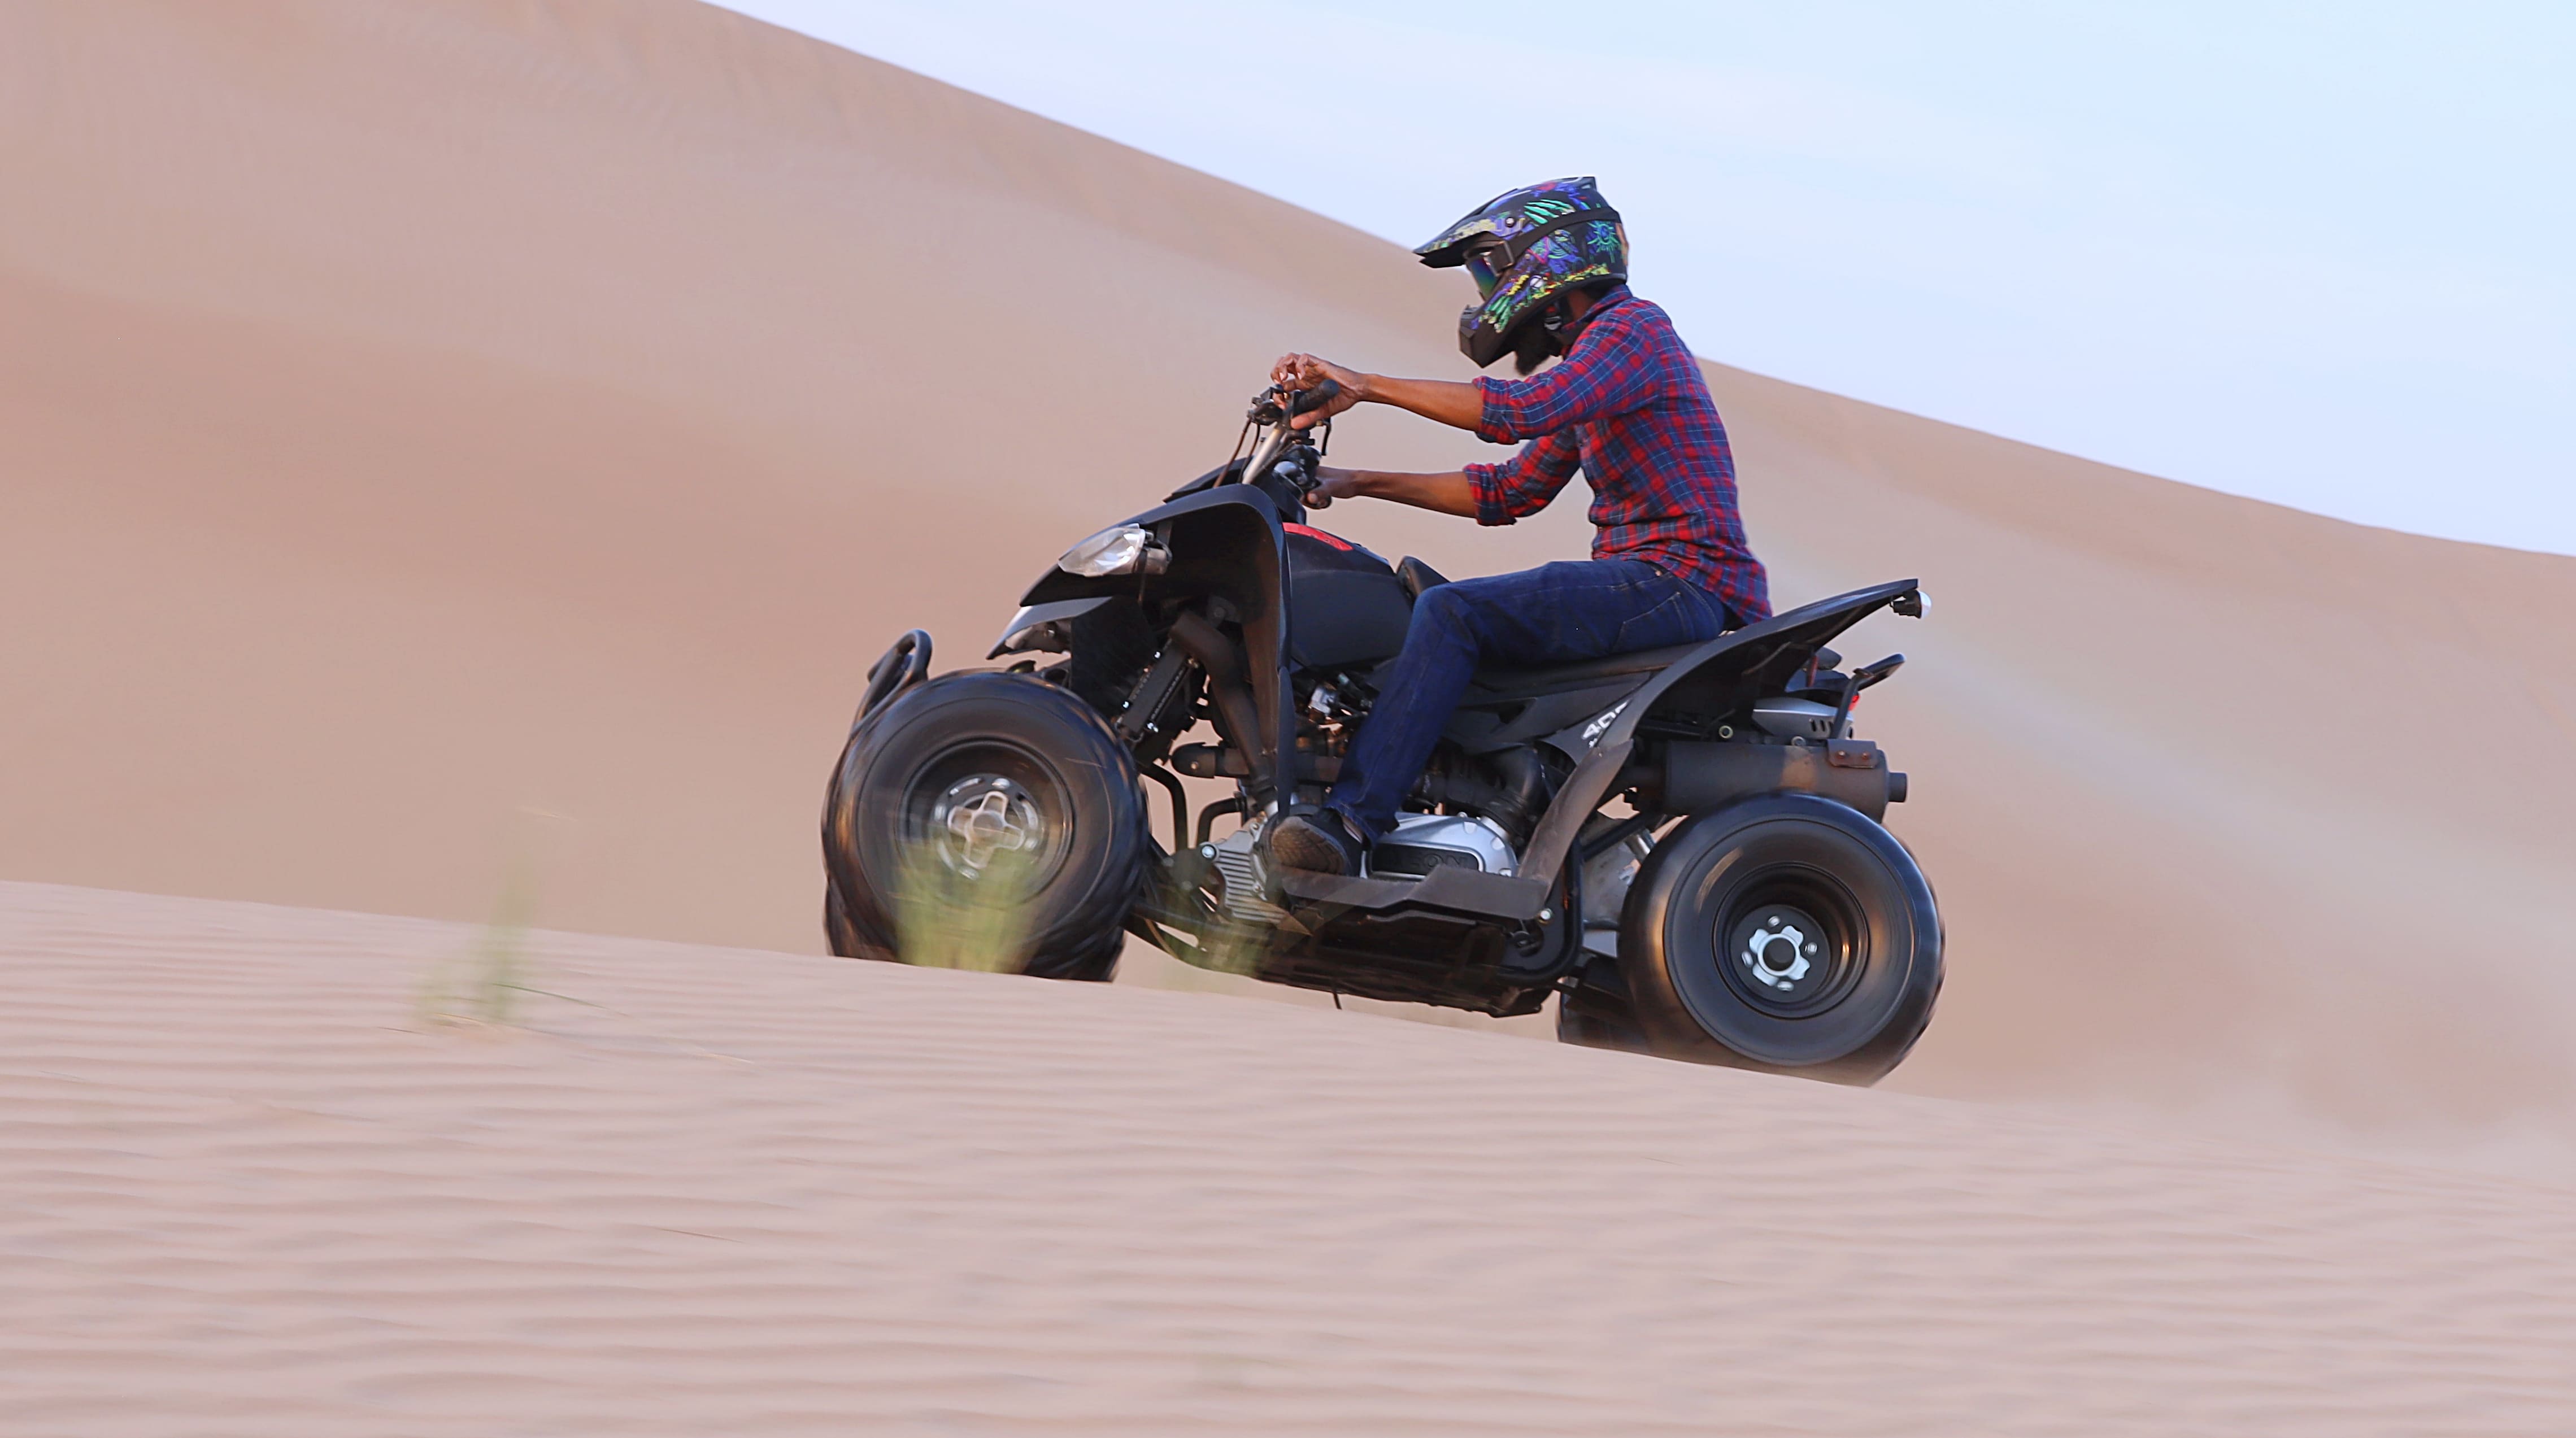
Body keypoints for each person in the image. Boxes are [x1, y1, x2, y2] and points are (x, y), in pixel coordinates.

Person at [1263, 176, 1772, 876]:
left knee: (1453, 613)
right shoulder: (1598, 361)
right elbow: (1510, 490)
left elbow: (1520, 411)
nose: (1484, 295)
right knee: (1432, 610)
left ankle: (1351, 824)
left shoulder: (1633, 333)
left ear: (1549, 265)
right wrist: (1355, 482)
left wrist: (1367, 385)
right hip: (1655, 582)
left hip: (1679, 580)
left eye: (1488, 273)